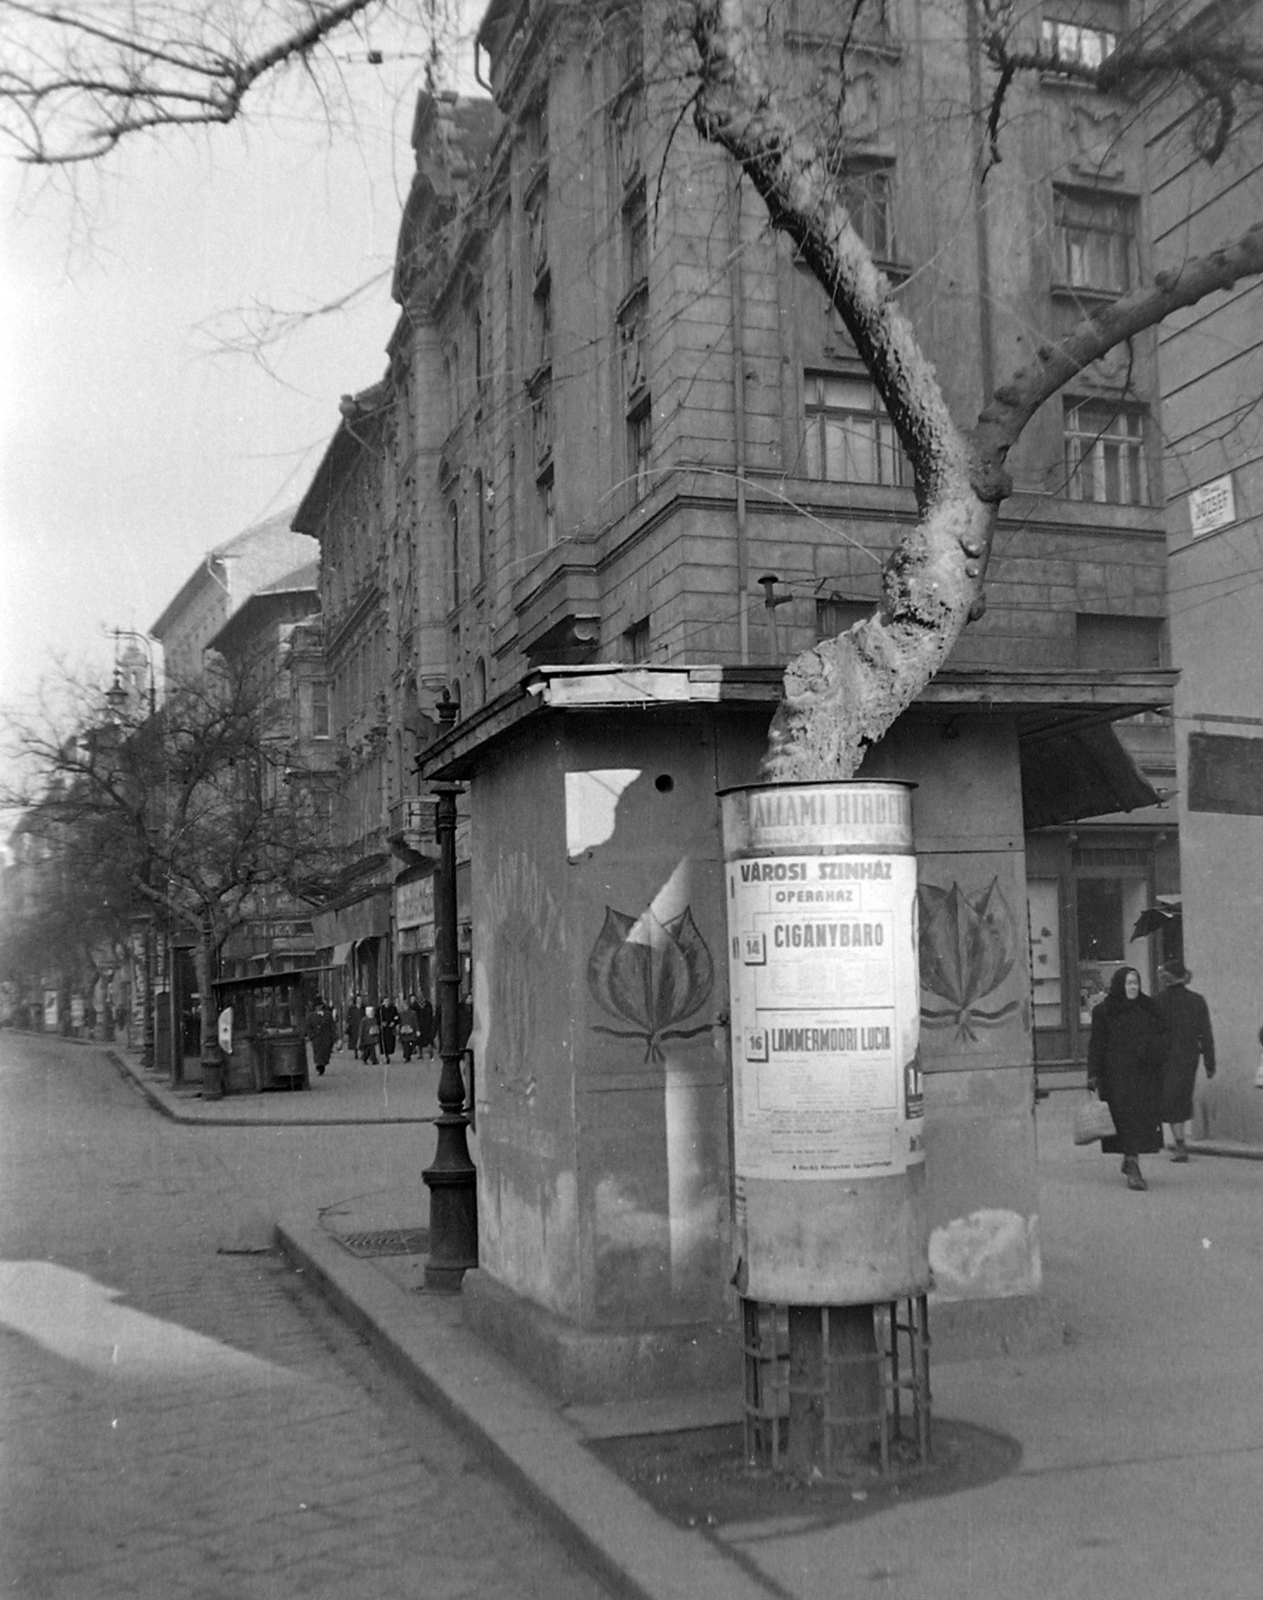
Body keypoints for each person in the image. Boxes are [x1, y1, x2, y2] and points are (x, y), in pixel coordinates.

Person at [1087, 965, 1167, 1190]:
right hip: (1116, 1076)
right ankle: (1133, 1166)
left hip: (1145, 1074)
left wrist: (1152, 1050)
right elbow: (1097, 1044)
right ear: (1119, 984)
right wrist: (1093, 1074)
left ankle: (1131, 1159)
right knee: (1124, 1120)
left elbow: (1164, 1036)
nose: (1133, 987)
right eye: (1129, 983)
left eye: (1136, 983)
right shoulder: (1105, 1011)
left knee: (1140, 1121)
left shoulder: (1149, 1007)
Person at [1156, 960, 1215, 1161]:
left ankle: (1180, 1144)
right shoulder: (1197, 1001)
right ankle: (1179, 1143)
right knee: (1181, 1096)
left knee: (1170, 1099)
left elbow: (1150, 1034)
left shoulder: (1158, 1001)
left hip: (1166, 1056)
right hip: (1189, 1057)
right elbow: (1206, 1033)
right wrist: (1210, 1062)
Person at [306, 1000, 336, 1077]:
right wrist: (311, 1036)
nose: (319, 1008)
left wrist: (333, 1037)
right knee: (318, 1053)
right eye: (317, 1006)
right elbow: (308, 1027)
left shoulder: (328, 1015)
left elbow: (332, 1026)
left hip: (326, 1037)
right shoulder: (311, 1016)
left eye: (320, 1006)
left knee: (326, 1052)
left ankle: (322, 1064)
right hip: (317, 1038)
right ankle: (319, 1066)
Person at [378, 996, 400, 1063]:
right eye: (385, 1001)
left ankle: (388, 1054)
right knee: (384, 1043)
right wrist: (381, 1023)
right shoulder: (380, 1010)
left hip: (391, 1029)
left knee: (390, 1043)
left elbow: (396, 1017)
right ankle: (385, 1056)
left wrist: (394, 1022)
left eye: (388, 1001)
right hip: (383, 1030)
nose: (387, 1003)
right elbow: (377, 1018)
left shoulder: (393, 1008)